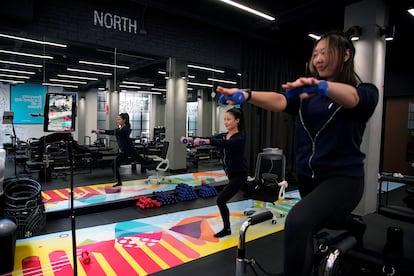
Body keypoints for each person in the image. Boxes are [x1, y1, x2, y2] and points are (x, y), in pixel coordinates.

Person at [216, 28, 379, 275]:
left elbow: (354, 97)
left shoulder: (365, 92)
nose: (318, 59)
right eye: (315, 54)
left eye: (325, 52)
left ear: (346, 55)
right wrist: (246, 95)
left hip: (343, 180)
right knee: (320, 221)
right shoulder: (307, 97)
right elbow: (280, 100)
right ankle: (354, 227)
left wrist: (321, 87)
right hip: (308, 180)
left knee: (298, 221)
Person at [181, 107, 248, 238]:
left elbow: (223, 144)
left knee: (221, 200)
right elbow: (210, 138)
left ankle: (227, 229)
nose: (226, 122)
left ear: (237, 121)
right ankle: (259, 182)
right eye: (225, 119)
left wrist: (206, 141)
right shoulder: (225, 135)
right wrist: (190, 139)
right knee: (247, 188)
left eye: (229, 119)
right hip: (231, 174)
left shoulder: (239, 138)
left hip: (239, 174)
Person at [93, 113, 145, 187]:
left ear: (124, 120)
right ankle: (119, 182)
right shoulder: (119, 129)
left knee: (145, 163)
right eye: (117, 119)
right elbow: (112, 131)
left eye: (119, 119)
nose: (118, 121)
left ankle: (156, 165)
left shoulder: (126, 129)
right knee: (114, 164)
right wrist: (99, 131)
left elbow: (114, 132)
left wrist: (100, 131)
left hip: (129, 151)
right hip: (125, 152)